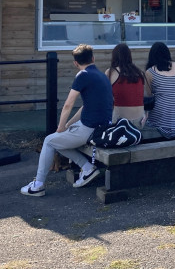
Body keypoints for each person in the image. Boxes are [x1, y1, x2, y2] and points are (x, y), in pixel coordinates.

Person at [21, 44, 112, 196]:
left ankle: (38, 185)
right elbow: (85, 107)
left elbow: (68, 104)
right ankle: (87, 168)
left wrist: (60, 126)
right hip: (102, 127)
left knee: (49, 141)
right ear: (93, 59)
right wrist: (68, 125)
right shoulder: (102, 75)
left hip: (89, 129)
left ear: (75, 63)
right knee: (57, 140)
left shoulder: (82, 75)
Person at [105, 43, 146, 127]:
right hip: (140, 118)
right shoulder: (139, 72)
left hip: (120, 119)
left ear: (114, 56)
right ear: (129, 56)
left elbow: (106, 97)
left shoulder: (111, 72)